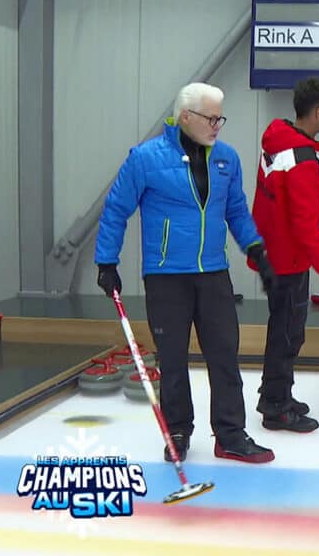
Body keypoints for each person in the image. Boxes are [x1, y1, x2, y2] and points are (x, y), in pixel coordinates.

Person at [95, 82, 275, 463]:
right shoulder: (146, 158)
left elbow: (236, 211)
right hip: (166, 276)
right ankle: (177, 430)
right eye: (211, 118)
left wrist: (256, 249)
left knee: (224, 355)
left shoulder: (226, 158)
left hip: (213, 273)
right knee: (173, 358)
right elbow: (116, 208)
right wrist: (106, 262)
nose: (217, 126)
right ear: (186, 117)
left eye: (220, 119)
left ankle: (230, 434)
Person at [249, 77, 319, 433]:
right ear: (318, 112)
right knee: (288, 334)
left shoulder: (277, 142)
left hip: (273, 257)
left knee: (282, 329)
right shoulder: (303, 160)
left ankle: (277, 393)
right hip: (289, 262)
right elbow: (306, 226)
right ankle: (276, 407)